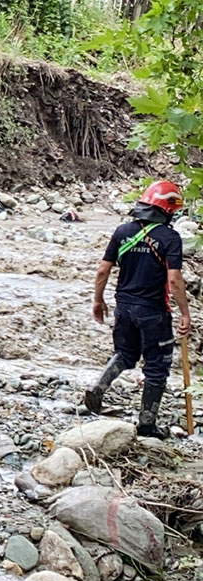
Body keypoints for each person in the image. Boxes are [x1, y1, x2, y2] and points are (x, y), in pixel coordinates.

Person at [84, 181, 192, 438]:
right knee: (156, 367)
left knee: (124, 353)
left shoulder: (122, 232)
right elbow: (174, 280)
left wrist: (98, 300)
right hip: (154, 312)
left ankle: (98, 387)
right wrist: (185, 313)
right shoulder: (169, 238)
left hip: (124, 308)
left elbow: (102, 270)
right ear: (166, 209)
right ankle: (146, 424)